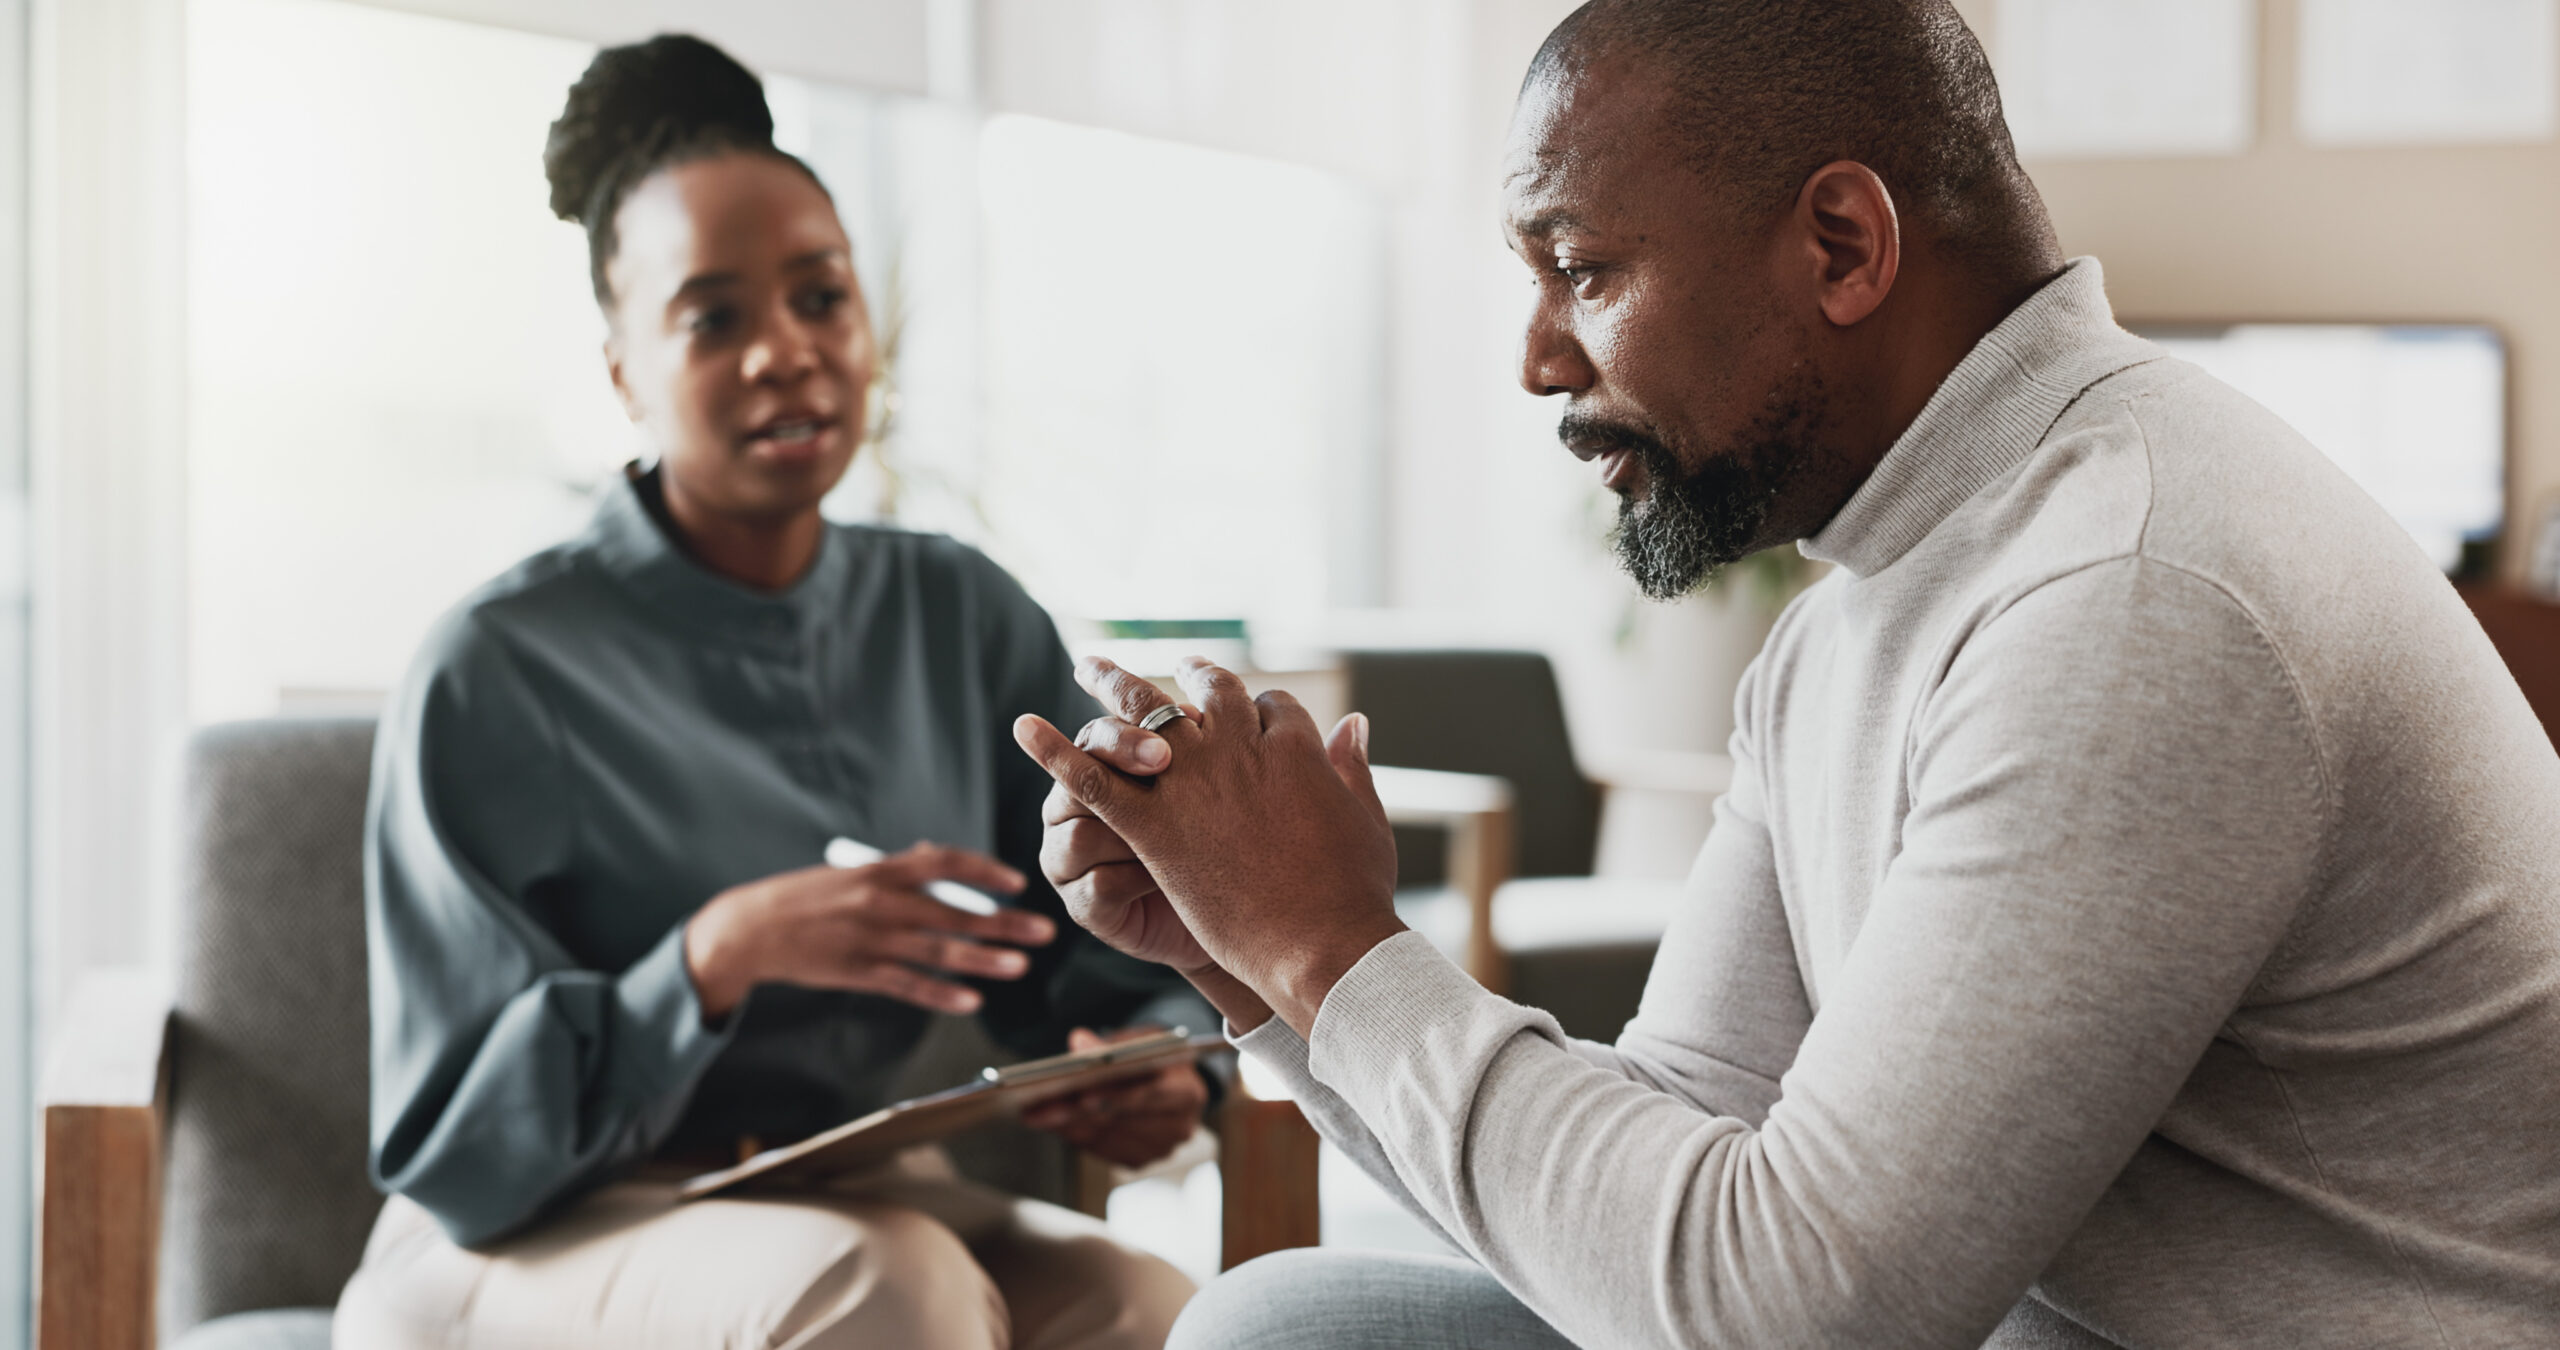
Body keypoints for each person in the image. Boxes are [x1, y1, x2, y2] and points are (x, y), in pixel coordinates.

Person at [1014, 2, 2560, 1346]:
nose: (1539, 359)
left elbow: (1800, 1316)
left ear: (1842, 244)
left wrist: (1330, 947)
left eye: (1584, 268)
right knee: (1283, 1321)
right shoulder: (1863, 604)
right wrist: (1259, 962)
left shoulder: (2132, 595)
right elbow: (1690, 1129)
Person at [334, 34, 1204, 1350]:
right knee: (891, 1286)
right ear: (624, 368)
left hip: (834, 1185)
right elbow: (458, 1149)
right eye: (714, 318)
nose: (784, 352)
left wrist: (1148, 1060)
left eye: (820, 298)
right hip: (527, 1237)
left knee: (1151, 1302)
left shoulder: (954, 613)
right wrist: (709, 960)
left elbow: (1088, 952)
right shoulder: (503, 663)